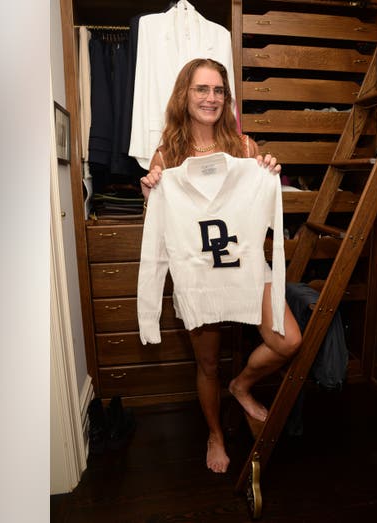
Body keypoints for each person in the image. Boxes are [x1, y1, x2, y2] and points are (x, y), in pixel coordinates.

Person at [139, 58, 302, 474]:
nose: (210, 98)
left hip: (246, 265)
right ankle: (215, 433)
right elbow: (162, 221)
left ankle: (242, 385)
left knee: (288, 341)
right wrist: (150, 193)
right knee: (207, 363)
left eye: (218, 91)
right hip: (199, 275)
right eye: (201, 89)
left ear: (226, 99)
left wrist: (270, 174)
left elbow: (263, 200)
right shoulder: (166, 153)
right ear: (185, 95)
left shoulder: (244, 147)